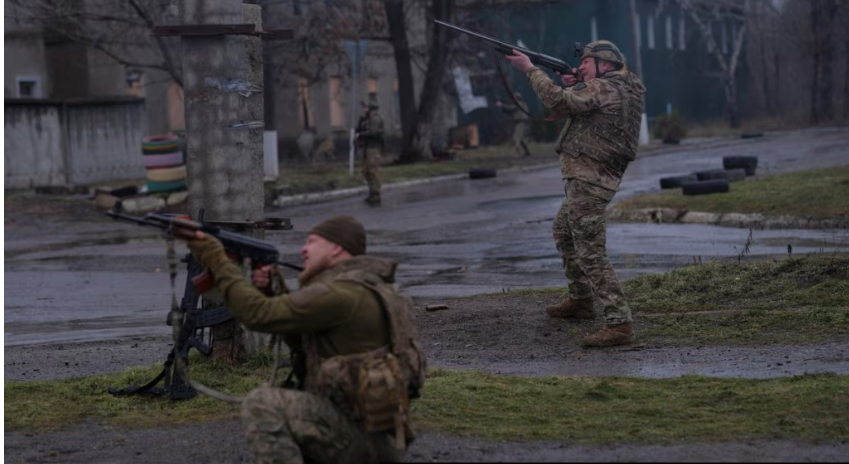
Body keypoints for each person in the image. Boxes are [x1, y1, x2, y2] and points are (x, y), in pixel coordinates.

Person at [176, 215, 426, 464]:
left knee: (264, 403)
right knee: (297, 394)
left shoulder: (340, 294)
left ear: (336, 248)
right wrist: (274, 293)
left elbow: (256, 315)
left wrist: (218, 261)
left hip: (361, 439)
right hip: (381, 433)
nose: (304, 249)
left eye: (312, 241)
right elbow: (304, 342)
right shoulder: (373, 290)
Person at [503, 41, 646, 348]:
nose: (581, 67)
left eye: (586, 63)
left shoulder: (603, 87)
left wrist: (529, 69)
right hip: (592, 178)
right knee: (564, 232)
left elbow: (556, 99)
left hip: (589, 180)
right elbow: (572, 106)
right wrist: (577, 83)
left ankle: (619, 323)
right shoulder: (619, 88)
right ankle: (581, 300)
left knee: (590, 251)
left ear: (604, 64)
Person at [355, 99, 385, 206]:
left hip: (373, 147)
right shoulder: (366, 119)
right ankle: (371, 192)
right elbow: (359, 129)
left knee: (373, 170)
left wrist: (361, 134)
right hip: (366, 147)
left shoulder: (375, 118)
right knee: (366, 170)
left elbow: (372, 132)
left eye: (366, 107)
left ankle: (376, 193)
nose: (364, 109)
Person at [495, 92, 531, 157]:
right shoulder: (520, 104)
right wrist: (503, 108)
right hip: (518, 122)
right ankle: (527, 152)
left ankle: (516, 152)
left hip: (520, 122)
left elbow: (511, 108)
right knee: (520, 138)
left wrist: (502, 105)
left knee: (516, 137)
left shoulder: (520, 103)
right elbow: (510, 110)